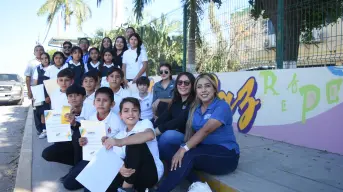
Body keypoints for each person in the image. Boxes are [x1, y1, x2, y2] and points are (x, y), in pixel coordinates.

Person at [154, 73, 240, 192]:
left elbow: (206, 130)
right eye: (199, 87)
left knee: (188, 154)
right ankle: (197, 183)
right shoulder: (196, 109)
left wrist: (183, 148)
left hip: (226, 155)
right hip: (204, 152)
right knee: (168, 149)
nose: (203, 90)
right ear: (196, 91)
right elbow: (188, 130)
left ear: (214, 88)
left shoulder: (221, 106)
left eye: (207, 86)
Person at [62, 87, 125, 191]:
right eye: (98, 100)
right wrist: (82, 141)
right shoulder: (91, 118)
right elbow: (86, 138)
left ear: (112, 104)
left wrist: (111, 141)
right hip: (92, 157)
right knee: (68, 184)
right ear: (94, 103)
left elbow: (123, 146)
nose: (101, 103)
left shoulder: (117, 121)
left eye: (105, 100)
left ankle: (105, 181)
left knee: (89, 190)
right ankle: (92, 178)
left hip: (109, 159)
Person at [100, 97, 163, 192]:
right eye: (126, 111)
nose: (130, 113)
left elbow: (149, 135)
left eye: (134, 110)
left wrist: (119, 142)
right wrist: (121, 168)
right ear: (120, 115)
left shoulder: (145, 123)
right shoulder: (120, 135)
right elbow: (119, 158)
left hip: (150, 172)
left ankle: (126, 188)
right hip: (130, 175)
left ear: (139, 114)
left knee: (134, 140)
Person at [154, 72, 195, 161]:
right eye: (180, 82)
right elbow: (164, 117)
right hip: (176, 134)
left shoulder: (194, 102)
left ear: (192, 85)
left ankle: (157, 159)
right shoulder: (176, 101)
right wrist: (151, 128)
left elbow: (180, 120)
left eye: (186, 83)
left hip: (189, 138)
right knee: (153, 133)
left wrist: (158, 130)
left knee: (167, 135)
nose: (182, 85)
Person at [42, 82, 85, 166]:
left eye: (77, 95)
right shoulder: (64, 111)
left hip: (84, 143)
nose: (73, 98)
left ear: (83, 97)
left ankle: (77, 168)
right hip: (68, 142)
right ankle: (76, 165)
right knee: (47, 154)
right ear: (67, 99)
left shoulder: (90, 110)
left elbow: (90, 128)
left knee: (77, 135)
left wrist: (75, 124)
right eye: (70, 96)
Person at [32, 52, 51, 139]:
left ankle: (53, 130)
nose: (45, 60)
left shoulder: (52, 68)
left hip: (51, 93)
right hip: (41, 93)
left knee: (51, 112)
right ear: (40, 60)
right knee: (42, 113)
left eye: (46, 58)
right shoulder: (38, 69)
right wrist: (34, 95)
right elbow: (35, 83)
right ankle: (44, 130)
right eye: (42, 58)